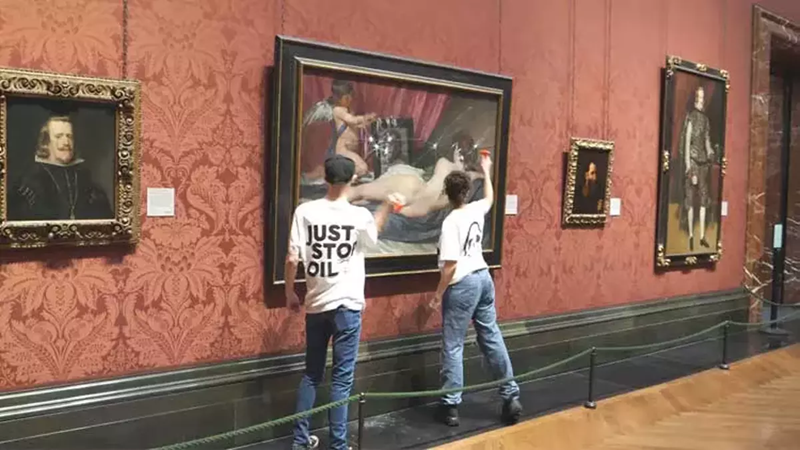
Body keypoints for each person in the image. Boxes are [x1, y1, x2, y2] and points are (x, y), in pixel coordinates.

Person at [285, 155, 396, 450]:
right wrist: (387, 205)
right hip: (347, 305)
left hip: (316, 304)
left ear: (325, 178)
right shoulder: (359, 216)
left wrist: (289, 292)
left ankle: (300, 440)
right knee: (342, 380)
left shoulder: (305, 211)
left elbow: (292, 258)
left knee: (311, 374)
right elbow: (373, 236)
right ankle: (338, 445)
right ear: (352, 180)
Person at [429, 153, 522, 427]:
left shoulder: (450, 222)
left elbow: (450, 266)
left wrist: (437, 295)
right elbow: (490, 198)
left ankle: (450, 406)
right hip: (483, 277)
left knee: (453, 345)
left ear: (447, 194)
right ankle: (510, 395)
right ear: (467, 192)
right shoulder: (475, 210)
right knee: (491, 336)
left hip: (463, 284)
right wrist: (487, 170)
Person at [347, 132, 484, 218]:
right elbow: (483, 175)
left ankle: (343, 200)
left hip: (414, 188)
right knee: (365, 195)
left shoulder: (445, 163)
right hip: (418, 202)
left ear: (456, 149)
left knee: (361, 192)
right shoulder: (469, 177)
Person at [8, 115, 112, 221]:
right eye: (58, 136)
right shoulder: (30, 180)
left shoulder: (86, 179)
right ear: (46, 143)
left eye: (69, 136)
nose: (66, 143)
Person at [304, 80, 377, 181]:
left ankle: (329, 173)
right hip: (342, 150)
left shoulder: (349, 110)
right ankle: (341, 176)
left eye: (350, 97)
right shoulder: (338, 110)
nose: (350, 100)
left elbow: (354, 124)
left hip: (350, 150)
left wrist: (366, 122)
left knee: (361, 168)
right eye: (346, 98)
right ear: (338, 98)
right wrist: (364, 118)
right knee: (362, 168)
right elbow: (352, 120)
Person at [679, 85, 717, 251]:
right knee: (690, 199)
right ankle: (691, 236)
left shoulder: (706, 120)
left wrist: (710, 151)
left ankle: (701, 236)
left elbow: (707, 140)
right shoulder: (691, 117)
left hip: (703, 163)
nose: (701, 101)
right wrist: (689, 167)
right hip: (693, 161)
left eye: (703, 98)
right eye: (699, 98)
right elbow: (687, 143)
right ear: (695, 99)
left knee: (703, 199)